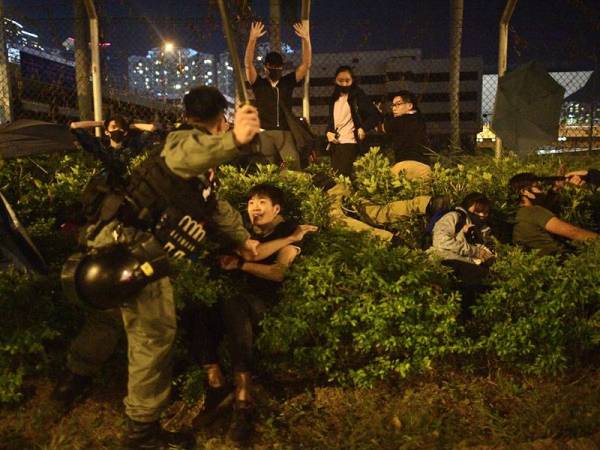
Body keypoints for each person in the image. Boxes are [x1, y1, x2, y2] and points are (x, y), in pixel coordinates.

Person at [56, 86, 274, 449]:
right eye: (225, 125)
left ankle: (72, 380)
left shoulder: (195, 167)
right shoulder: (183, 143)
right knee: (154, 334)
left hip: (117, 245)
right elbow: (189, 156)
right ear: (220, 122)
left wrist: (242, 239)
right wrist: (236, 140)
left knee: (108, 320)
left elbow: (213, 207)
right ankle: (142, 430)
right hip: (135, 251)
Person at [189, 184, 317, 444]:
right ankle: (216, 385)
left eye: (262, 203)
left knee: (235, 304)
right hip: (236, 301)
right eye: (251, 203)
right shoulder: (250, 233)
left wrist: (242, 266)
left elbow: (278, 272)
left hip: (266, 306)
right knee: (197, 307)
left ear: (276, 209)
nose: (255, 208)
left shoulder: (288, 229)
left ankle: (243, 399)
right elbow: (250, 251)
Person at [244, 21, 312, 170]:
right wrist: (252, 39)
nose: (275, 69)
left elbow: (306, 64)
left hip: (285, 131)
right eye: (271, 67)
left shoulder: (287, 82)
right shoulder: (259, 84)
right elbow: (248, 64)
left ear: (282, 67)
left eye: (278, 67)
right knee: (264, 169)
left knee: (293, 166)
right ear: (265, 67)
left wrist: (306, 39)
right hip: (264, 131)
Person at [428, 192, 495, 316]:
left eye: (485, 211)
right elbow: (441, 241)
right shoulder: (454, 217)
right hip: (446, 260)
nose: (482, 215)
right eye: (478, 210)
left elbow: (481, 249)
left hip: (465, 265)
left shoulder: (481, 229)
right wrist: (476, 251)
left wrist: (487, 256)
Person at [509, 172, 598, 256]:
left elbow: (546, 206)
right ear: (525, 192)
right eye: (539, 187)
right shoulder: (534, 211)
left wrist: (555, 188)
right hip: (562, 262)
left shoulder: (518, 213)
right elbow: (573, 232)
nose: (543, 191)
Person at [325, 65, 382, 177]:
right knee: (335, 177)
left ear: (353, 80)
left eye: (347, 80)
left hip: (350, 142)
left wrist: (363, 128)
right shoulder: (334, 98)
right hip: (335, 144)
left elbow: (375, 116)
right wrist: (328, 132)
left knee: (341, 177)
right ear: (335, 81)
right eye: (340, 81)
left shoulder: (358, 95)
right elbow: (332, 121)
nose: (344, 84)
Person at [383, 90, 429, 164]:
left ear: (410, 106)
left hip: (405, 163)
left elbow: (385, 128)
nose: (394, 108)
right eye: (393, 105)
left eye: (398, 104)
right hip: (423, 163)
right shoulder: (419, 118)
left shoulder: (399, 121)